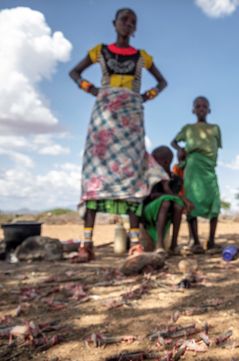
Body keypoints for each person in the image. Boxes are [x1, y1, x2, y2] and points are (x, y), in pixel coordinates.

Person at [69, 8, 168, 262]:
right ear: (115, 24)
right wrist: (94, 91)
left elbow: (162, 83)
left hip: (132, 121)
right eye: (124, 20)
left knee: (133, 176)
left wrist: (146, 96)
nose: (128, 24)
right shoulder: (99, 51)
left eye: (133, 22)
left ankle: (135, 245)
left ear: (135, 29)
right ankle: (86, 245)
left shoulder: (142, 57)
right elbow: (74, 73)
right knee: (96, 176)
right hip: (103, 119)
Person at [171, 97, 222, 254]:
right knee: (191, 203)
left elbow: (215, 149)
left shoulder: (215, 129)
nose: (201, 108)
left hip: (209, 168)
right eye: (198, 106)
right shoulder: (188, 128)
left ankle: (211, 241)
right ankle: (196, 242)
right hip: (192, 167)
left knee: (215, 201)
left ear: (209, 109)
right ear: (193, 110)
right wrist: (181, 151)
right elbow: (174, 142)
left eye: (204, 106)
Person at [142, 146, 194, 253]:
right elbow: (151, 196)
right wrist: (181, 196)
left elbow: (172, 197)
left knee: (178, 205)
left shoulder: (177, 180)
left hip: (166, 211)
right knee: (165, 202)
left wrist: (166, 184)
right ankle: (159, 244)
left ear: (166, 162)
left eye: (155, 162)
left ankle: (174, 244)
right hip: (148, 211)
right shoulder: (151, 177)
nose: (152, 165)